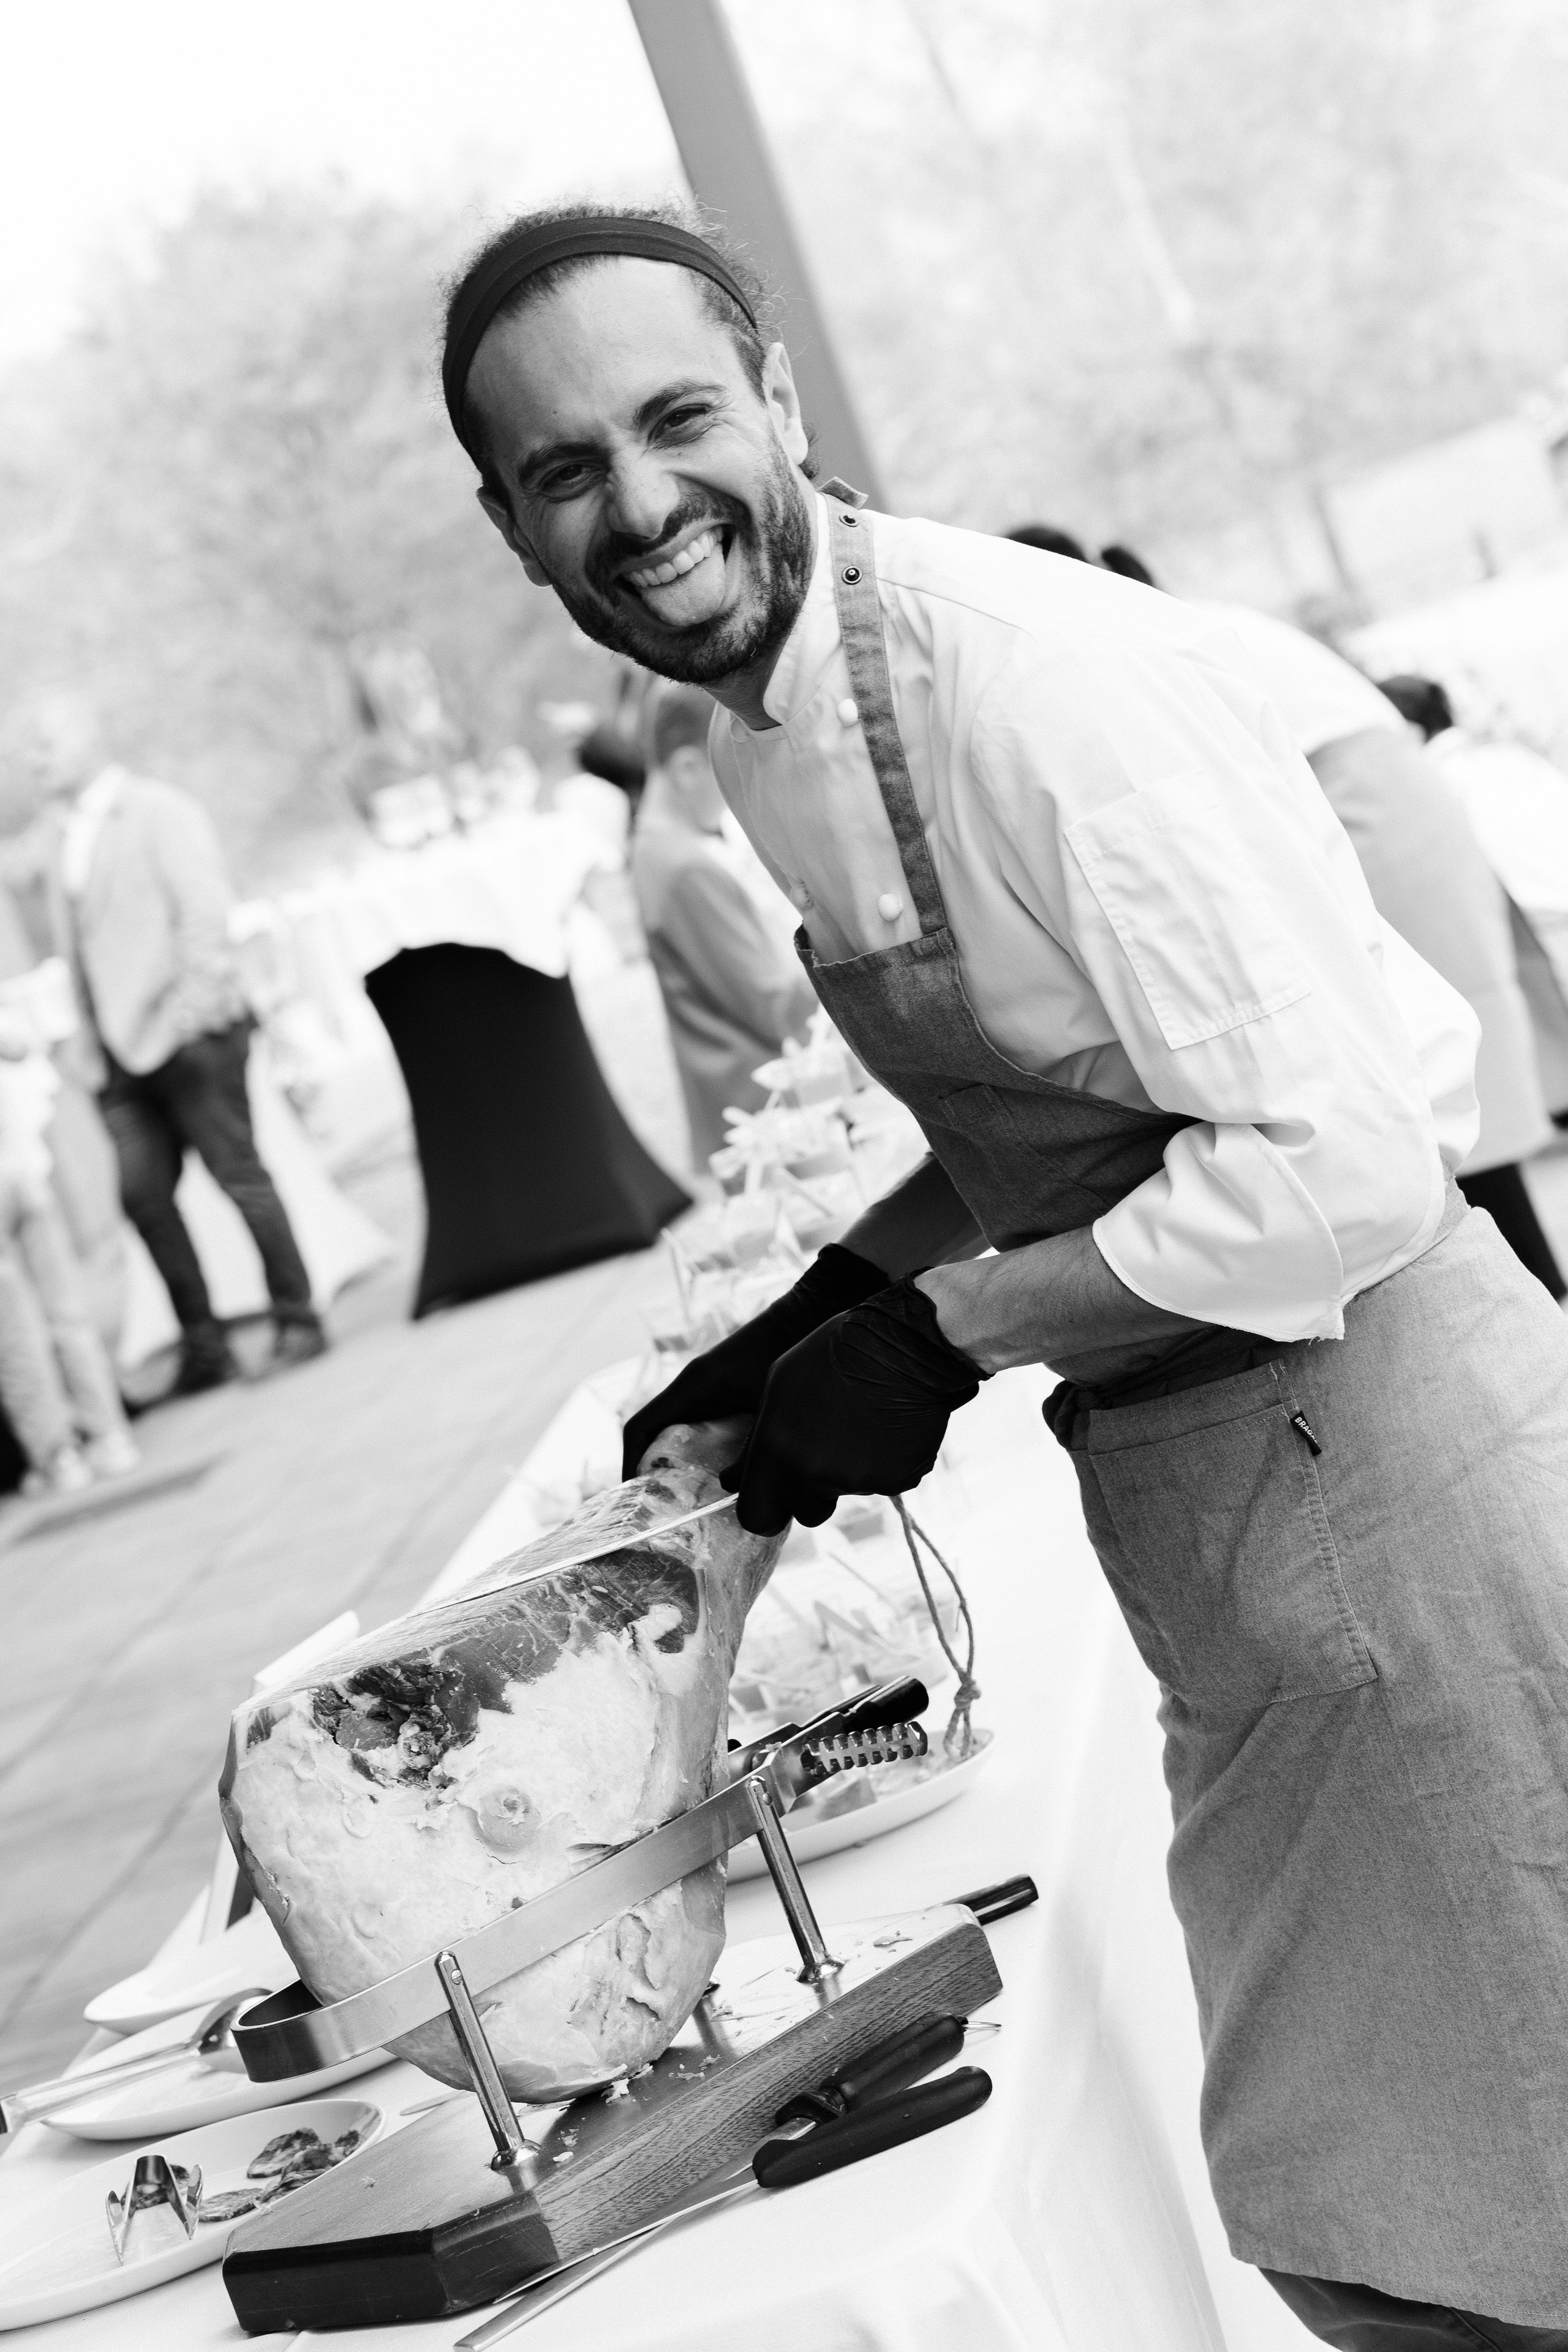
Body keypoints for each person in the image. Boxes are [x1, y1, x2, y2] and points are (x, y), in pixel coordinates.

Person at [442, 200, 1568, 2346]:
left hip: (1399, 1491)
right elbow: (1061, 1104)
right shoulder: (764, 713)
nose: (643, 504)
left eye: (678, 420)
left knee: (1441, 2243)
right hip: (1253, 1527)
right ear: (510, 525)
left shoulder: (1033, 686)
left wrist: (939, 1335)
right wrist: (816, 1314)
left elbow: (1332, 1167)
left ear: (778, 401)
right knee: (1407, 2228)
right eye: (567, 470)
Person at [1211, 608, 1563, 1298]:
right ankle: (1525, 1301)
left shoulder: (1164, 632)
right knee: (1430, 1092)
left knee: (1435, 1084)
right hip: (1361, 796)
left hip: (1364, 804)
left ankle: (1526, 1308)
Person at [7, 695, 326, 1391]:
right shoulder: (59, 837)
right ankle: (204, 1348)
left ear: (89, 739)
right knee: (144, 1198)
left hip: (190, 1039)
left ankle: (299, 1318)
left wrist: (188, 1016)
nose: (33, 761)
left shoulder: (159, 810)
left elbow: (206, 916)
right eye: (29, 750)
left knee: (240, 1178)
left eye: (44, 745)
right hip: (116, 1060)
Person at [630, 685, 817, 1163]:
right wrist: (846, 953)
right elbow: (771, 1005)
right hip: (764, 1111)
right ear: (689, 768)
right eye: (729, 766)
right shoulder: (685, 867)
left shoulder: (661, 845)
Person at [0, 998, 138, 1491]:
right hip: (23, 1169)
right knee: (65, 1312)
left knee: (14, 1332)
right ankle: (110, 1435)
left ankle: (58, 1455)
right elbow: (17, 1044)